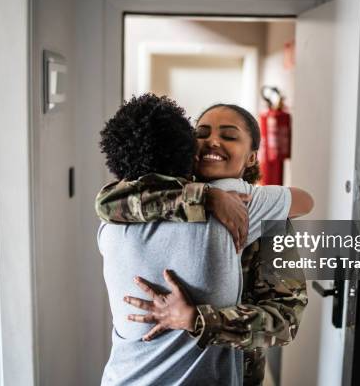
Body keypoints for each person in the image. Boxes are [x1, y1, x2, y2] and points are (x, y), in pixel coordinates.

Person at [97, 97, 312, 385]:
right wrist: (206, 197)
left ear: (251, 157)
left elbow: (286, 321)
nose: (212, 141)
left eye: (229, 136)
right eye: (202, 133)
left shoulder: (268, 217)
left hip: (234, 371)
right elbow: (108, 201)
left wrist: (202, 320)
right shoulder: (156, 198)